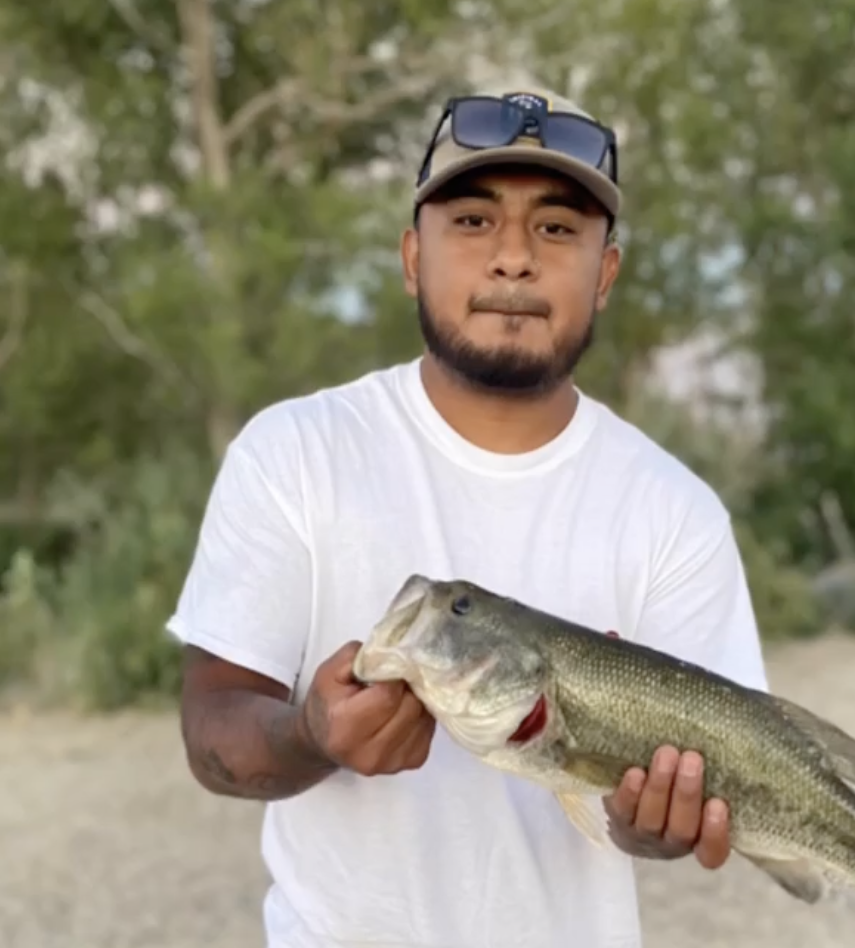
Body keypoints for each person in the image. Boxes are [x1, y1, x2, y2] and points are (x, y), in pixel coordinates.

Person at [171, 85, 769, 948]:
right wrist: (311, 735)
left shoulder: (675, 512)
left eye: (558, 228)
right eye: (474, 221)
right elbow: (211, 730)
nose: (514, 259)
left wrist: (654, 822)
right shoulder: (295, 452)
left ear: (606, 273)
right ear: (414, 256)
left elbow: (685, 796)